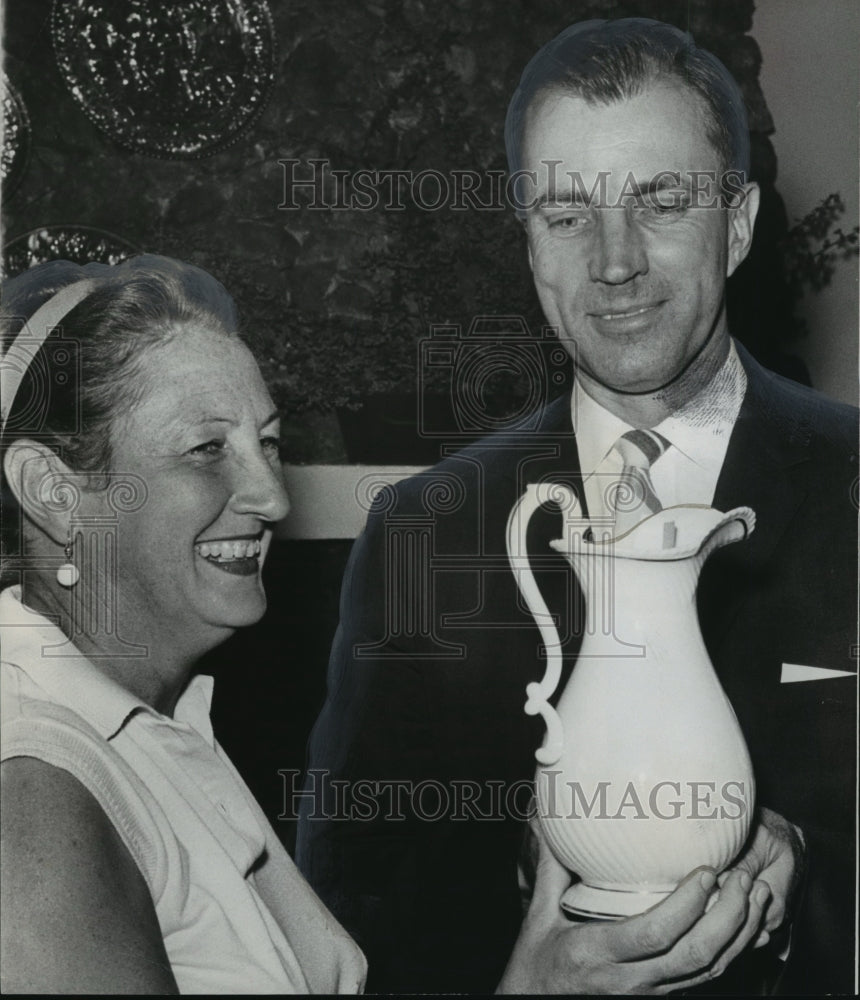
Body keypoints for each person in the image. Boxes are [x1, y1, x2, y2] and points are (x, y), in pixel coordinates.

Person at [297, 18, 858, 995]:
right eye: (564, 214)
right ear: (526, 243)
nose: (612, 260)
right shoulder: (423, 534)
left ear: (733, 227)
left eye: (658, 201)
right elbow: (347, 921)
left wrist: (798, 867)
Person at [0, 255, 367, 993]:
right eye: (206, 451)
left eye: (268, 442)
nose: (271, 497)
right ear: (53, 492)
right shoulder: (34, 802)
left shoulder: (159, 714)